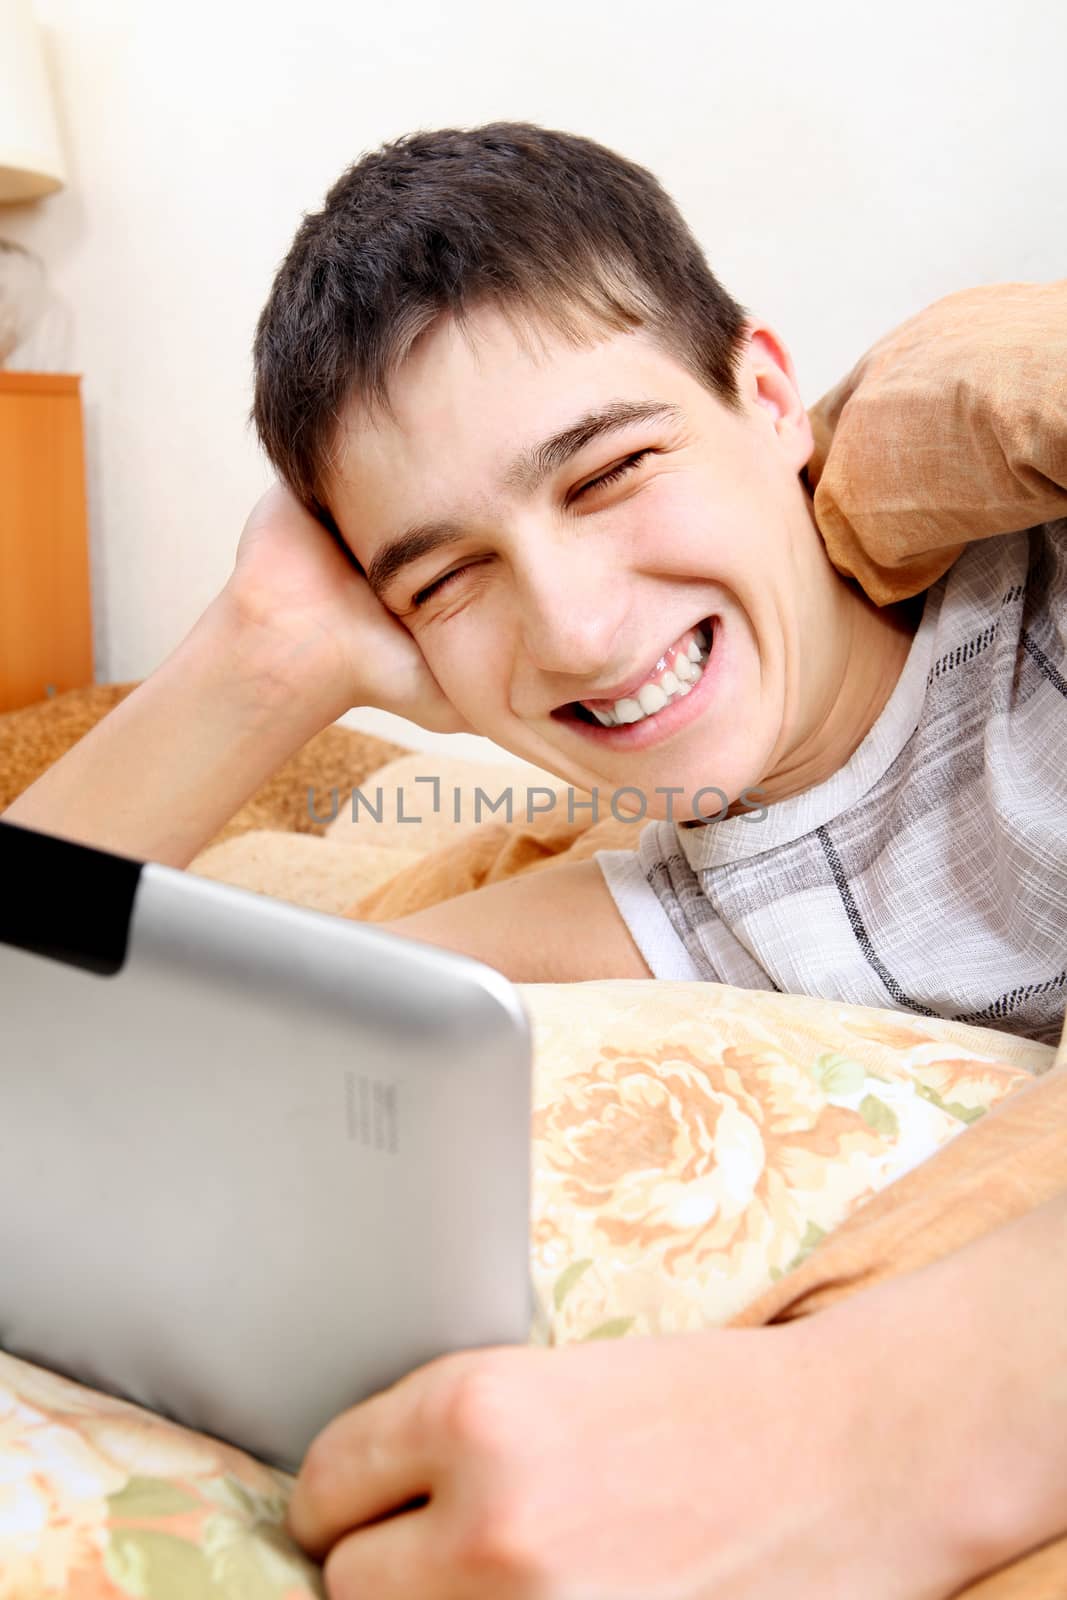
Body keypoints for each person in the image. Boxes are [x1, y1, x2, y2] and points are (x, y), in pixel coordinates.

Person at [4, 122, 1066, 1595]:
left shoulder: (1036, 605)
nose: (571, 627)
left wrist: (884, 1429)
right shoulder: (649, 903)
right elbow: (33, 1016)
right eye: (448, 579)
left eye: (611, 470)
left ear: (768, 396)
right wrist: (262, 655)